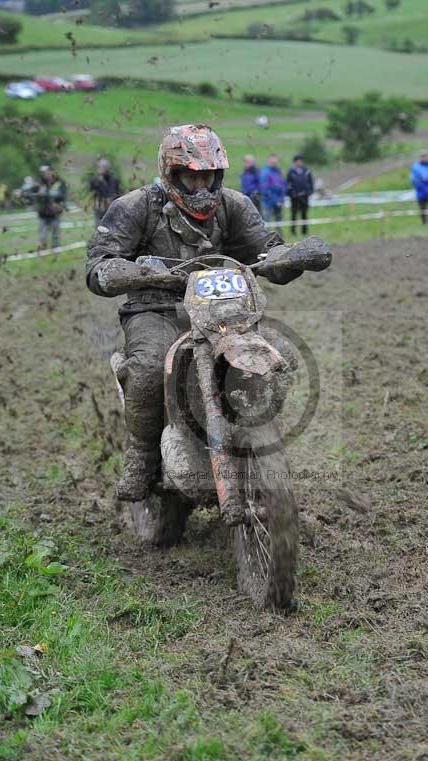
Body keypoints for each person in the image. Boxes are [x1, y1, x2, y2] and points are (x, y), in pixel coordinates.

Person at [86, 124, 331, 502]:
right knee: (150, 367)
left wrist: (290, 257)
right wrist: (116, 270)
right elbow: (100, 261)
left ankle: (258, 434)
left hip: (227, 311)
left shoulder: (234, 205)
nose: (201, 187)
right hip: (158, 309)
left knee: (281, 354)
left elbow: (265, 248)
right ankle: (141, 456)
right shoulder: (137, 207)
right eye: (191, 176)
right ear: (171, 174)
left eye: (209, 177)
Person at [35, 165, 67, 249]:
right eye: (43, 173)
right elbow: (35, 193)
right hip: (43, 212)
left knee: (55, 232)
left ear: (52, 172)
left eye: (46, 172)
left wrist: (51, 194)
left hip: (54, 212)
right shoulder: (40, 182)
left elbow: (62, 195)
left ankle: (55, 249)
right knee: (42, 233)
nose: (45, 174)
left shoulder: (60, 182)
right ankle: (42, 248)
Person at [286, 154, 314, 235]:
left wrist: (309, 192)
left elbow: (311, 183)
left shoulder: (307, 171)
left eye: (300, 161)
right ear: (295, 162)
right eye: (297, 161)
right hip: (294, 197)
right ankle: (293, 231)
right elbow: (288, 184)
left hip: (304, 196)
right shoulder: (291, 172)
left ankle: (304, 231)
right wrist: (291, 193)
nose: (299, 162)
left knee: (304, 214)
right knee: (294, 215)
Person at [90, 158, 121, 225]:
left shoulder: (113, 179)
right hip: (99, 206)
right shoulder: (96, 179)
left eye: (102, 167)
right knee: (99, 226)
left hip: (110, 206)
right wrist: (99, 180)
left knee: (110, 226)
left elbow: (111, 192)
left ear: (107, 168)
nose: (100, 169)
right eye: (99, 167)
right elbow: (92, 188)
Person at [259, 155, 286, 224]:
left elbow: (282, 185)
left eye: (275, 162)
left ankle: (279, 234)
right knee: (267, 224)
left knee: (279, 223)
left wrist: (281, 199)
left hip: (279, 202)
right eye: (272, 161)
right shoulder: (264, 172)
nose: (274, 163)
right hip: (268, 202)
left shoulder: (278, 171)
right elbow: (264, 189)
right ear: (268, 161)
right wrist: (276, 201)